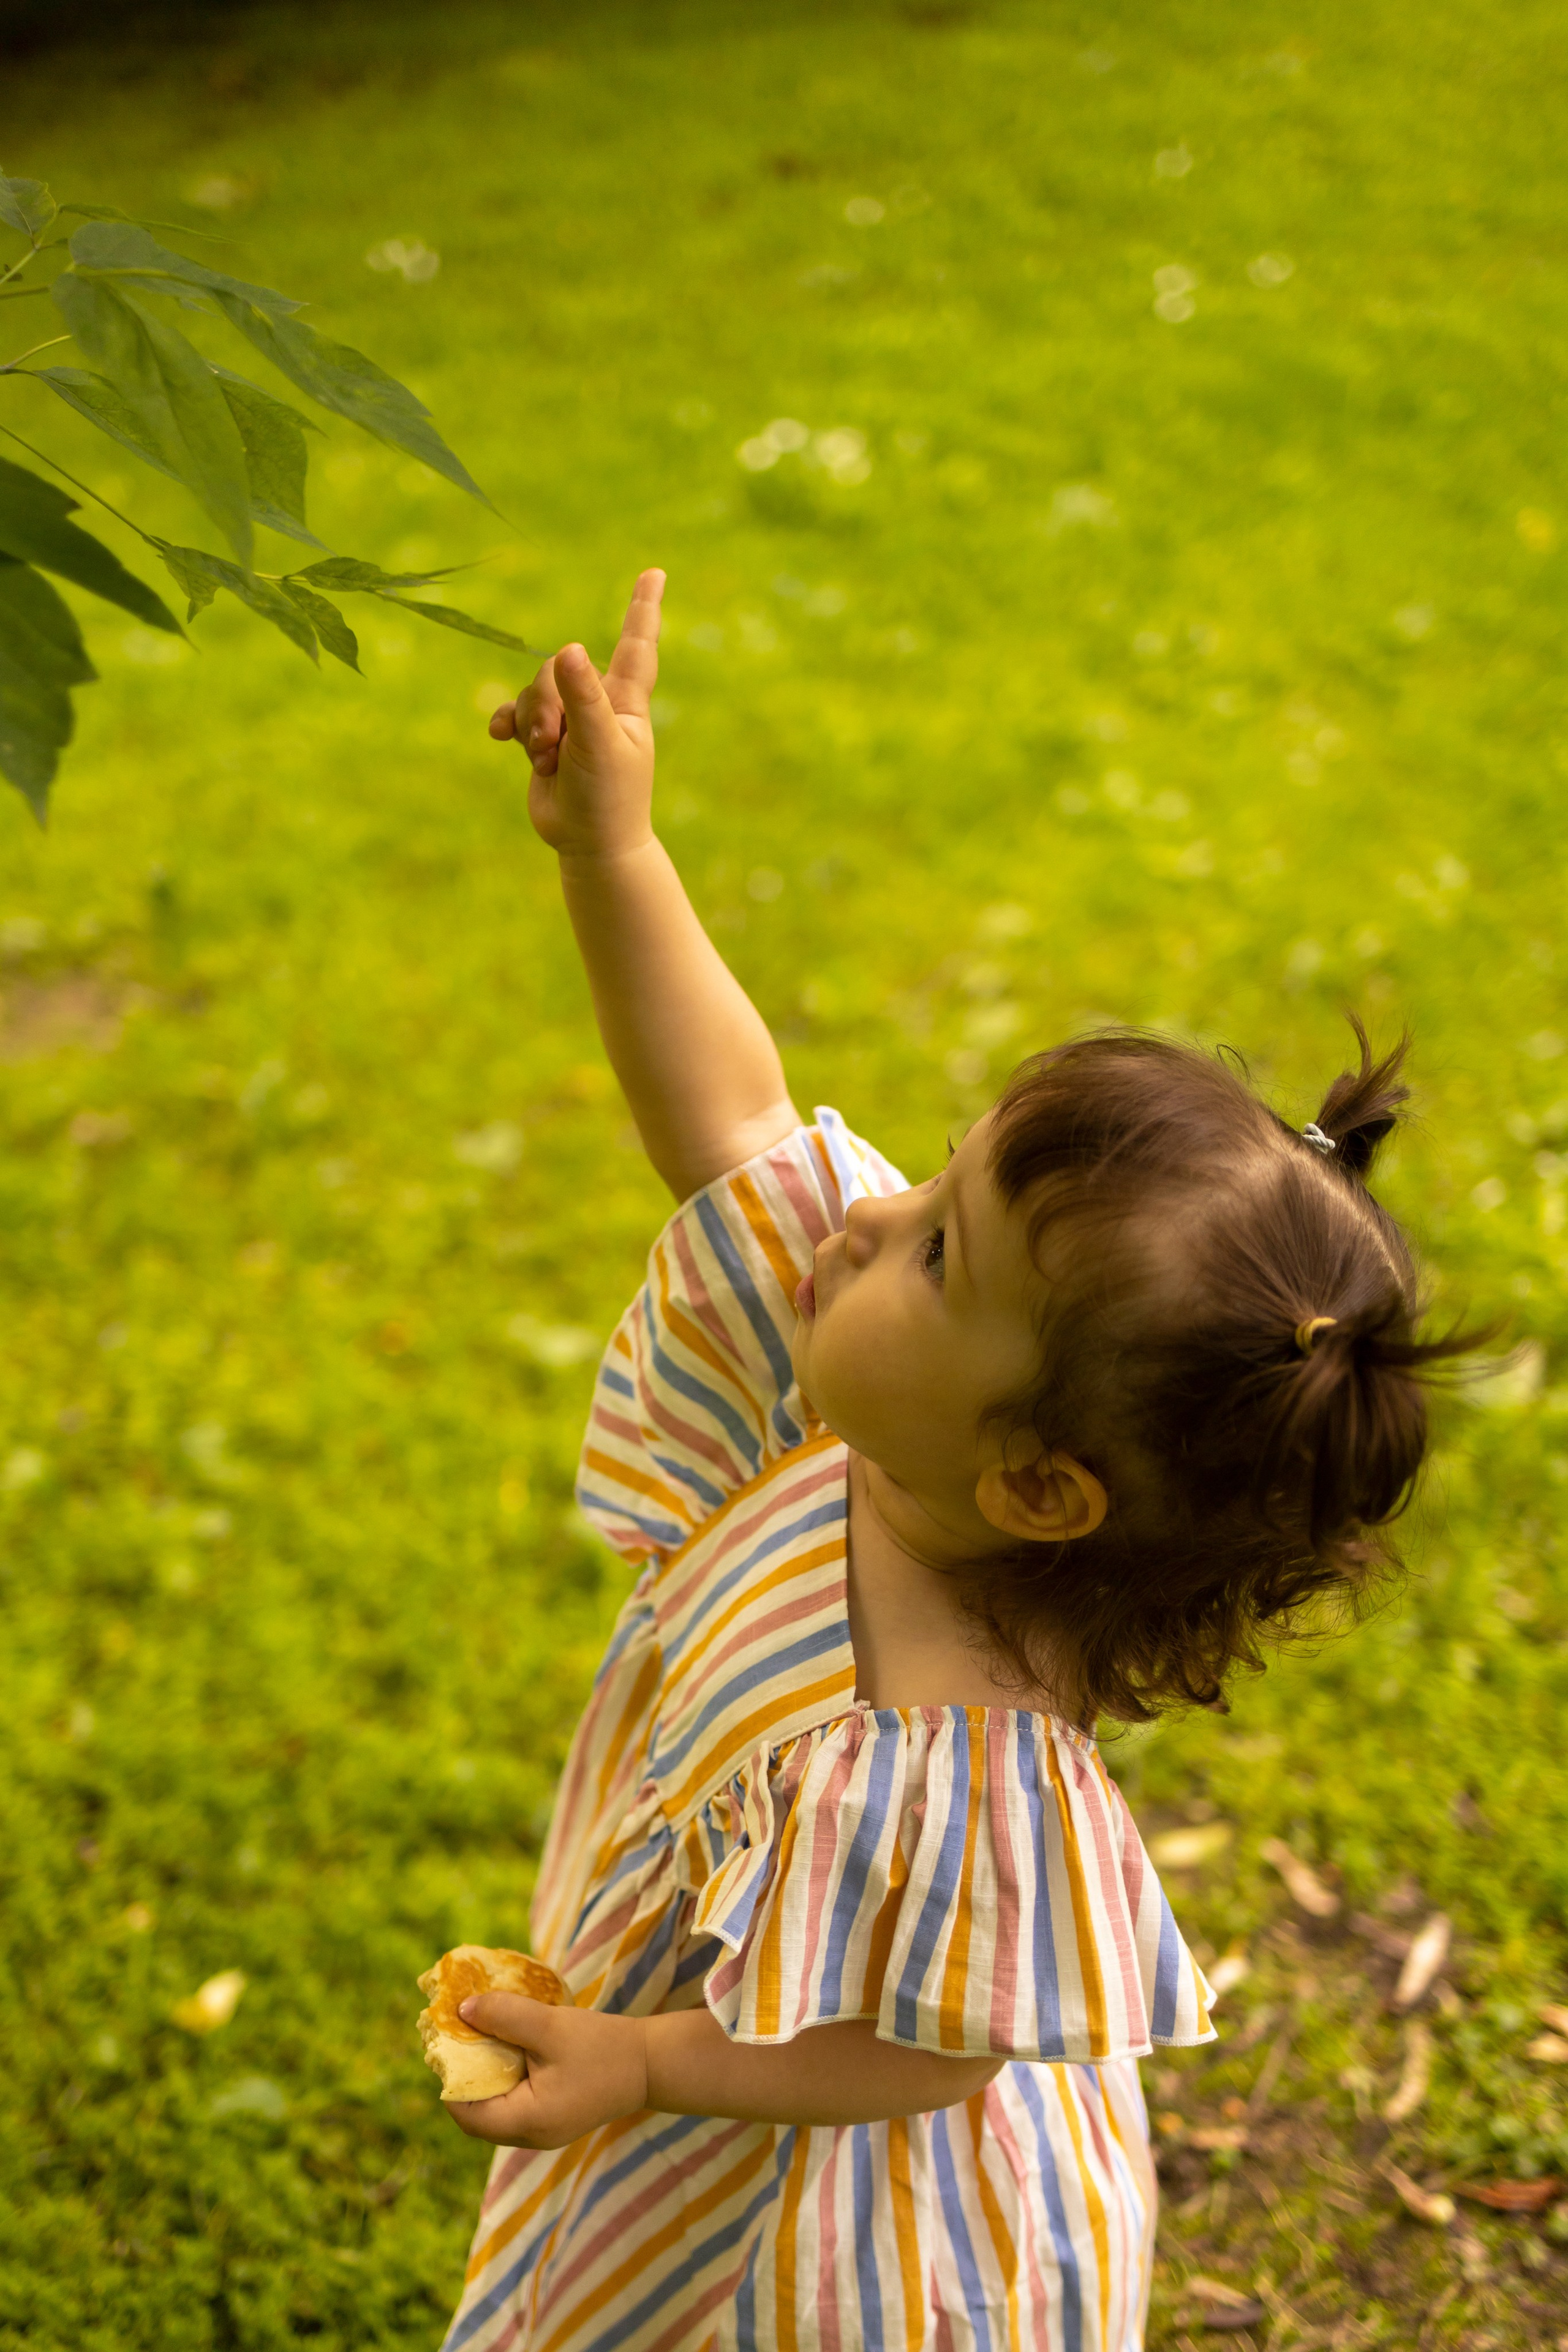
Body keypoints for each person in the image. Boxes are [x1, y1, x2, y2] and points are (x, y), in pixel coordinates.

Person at [435, 570, 1469, 2352]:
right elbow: (732, 1113)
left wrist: (650, 2061)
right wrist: (615, 851)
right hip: (683, 2037)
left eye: (936, 1252)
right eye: (936, 1178)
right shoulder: (877, 1408)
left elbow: (930, 2053)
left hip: (845, 2233)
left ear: (1040, 1487)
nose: (867, 1213)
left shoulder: (963, 1750)